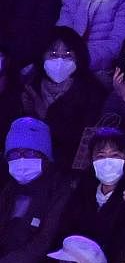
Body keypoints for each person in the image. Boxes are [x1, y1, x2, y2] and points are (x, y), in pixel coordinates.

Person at [0, 118, 76, 263]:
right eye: (14, 154)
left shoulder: (60, 189)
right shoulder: (10, 188)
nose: (21, 160)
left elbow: (43, 242)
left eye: (28, 153)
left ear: (44, 156)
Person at [63, 127, 125, 263]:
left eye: (115, 155)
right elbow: (67, 226)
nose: (107, 161)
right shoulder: (83, 188)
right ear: (92, 160)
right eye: (100, 156)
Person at [22, 28, 105, 166]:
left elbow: (82, 142)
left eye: (67, 54)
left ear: (78, 57)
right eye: (53, 54)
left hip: (66, 167)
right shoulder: (31, 84)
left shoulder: (93, 92)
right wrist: (27, 113)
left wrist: (46, 115)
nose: (59, 61)